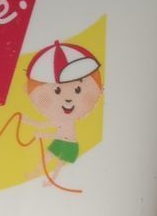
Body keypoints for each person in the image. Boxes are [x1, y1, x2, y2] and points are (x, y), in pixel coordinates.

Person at [22, 40, 103, 182]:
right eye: (57, 90)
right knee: (50, 159)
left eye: (77, 89)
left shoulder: (65, 120)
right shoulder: (60, 119)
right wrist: (28, 121)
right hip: (63, 142)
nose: (68, 99)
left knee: (58, 164)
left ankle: (50, 179)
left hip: (68, 144)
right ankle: (39, 174)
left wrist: (41, 133)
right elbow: (46, 126)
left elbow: (61, 135)